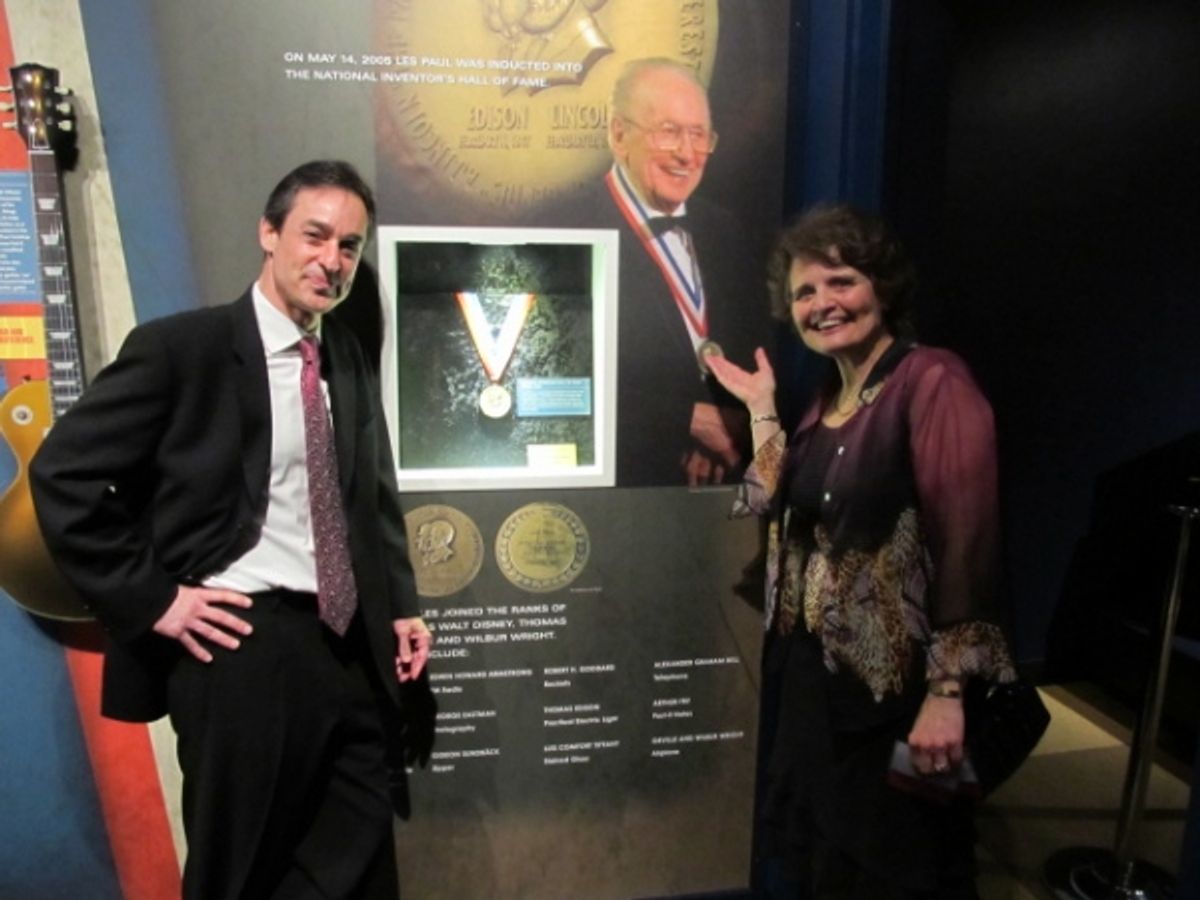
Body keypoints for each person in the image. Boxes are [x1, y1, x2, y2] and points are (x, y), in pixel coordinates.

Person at [30, 160, 431, 900]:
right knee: (241, 867)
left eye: (349, 246)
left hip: (346, 645)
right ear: (269, 233)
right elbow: (63, 476)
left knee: (360, 858)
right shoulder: (183, 350)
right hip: (241, 648)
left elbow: (369, 494)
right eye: (315, 236)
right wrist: (157, 600)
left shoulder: (341, 353)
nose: (331, 261)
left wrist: (400, 601)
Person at [707, 205, 1017, 898]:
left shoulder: (933, 382)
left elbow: (968, 540)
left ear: (880, 285)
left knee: (895, 869)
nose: (823, 304)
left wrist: (947, 693)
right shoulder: (826, 400)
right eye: (805, 293)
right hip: (819, 694)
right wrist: (762, 408)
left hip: (895, 698)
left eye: (840, 281)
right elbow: (773, 499)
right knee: (829, 869)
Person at [597, 57, 759, 486]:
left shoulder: (727, 231)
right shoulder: (567, 229)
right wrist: (683, 423)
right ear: (618, 134)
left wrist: (729, 430)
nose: (687, 154)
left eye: (699, 135)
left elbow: (754, 352)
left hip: (721, 485)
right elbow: (552, 386)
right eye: (669, 132)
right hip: (621, 488)